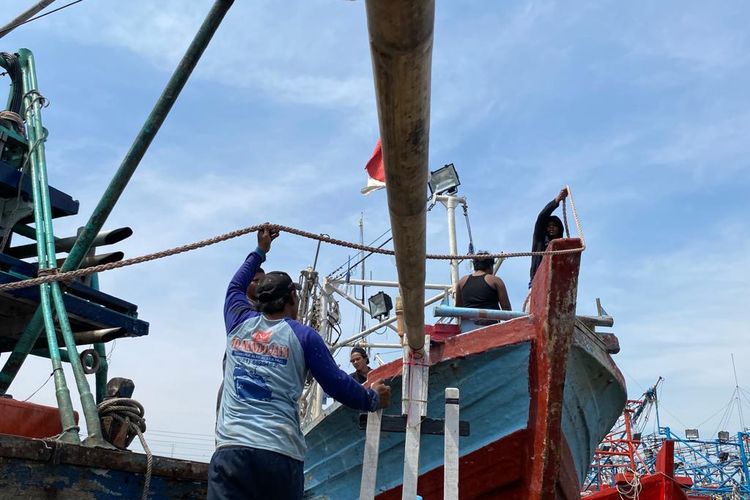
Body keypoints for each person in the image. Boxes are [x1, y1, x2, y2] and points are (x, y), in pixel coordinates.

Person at [209, 228, 391, 500]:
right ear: (293, 299)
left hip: (232, 452)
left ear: (258, 300)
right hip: (280, 456)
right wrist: (373, 399)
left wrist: (260, 251)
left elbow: (235, 285)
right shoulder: (304, 336)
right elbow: (339, 385)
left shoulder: (237, 321)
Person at [216, 267, 266, 414]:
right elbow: (236, 285)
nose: (260, 286)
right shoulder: (239, 311)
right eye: (256, 281)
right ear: (246, 284)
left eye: (263, 282)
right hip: (236, 384)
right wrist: (260, 251)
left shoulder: (267, 313)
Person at [529, 188, 568, 286]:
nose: (551, 228)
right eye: (549, 226)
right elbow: (541, 217)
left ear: (559, 229)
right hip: (537, 281)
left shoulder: (561, 246)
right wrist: (556, 200)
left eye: (554, 226)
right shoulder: (540, 239)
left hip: (555, 280)